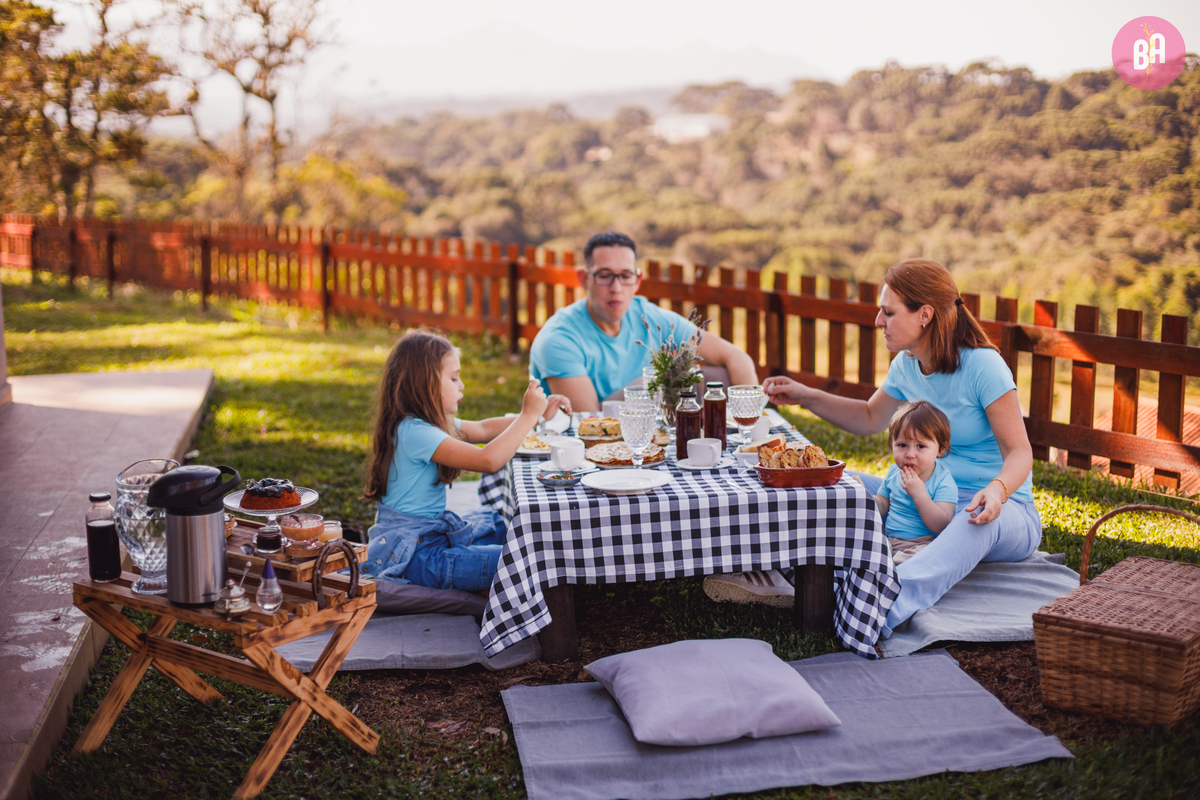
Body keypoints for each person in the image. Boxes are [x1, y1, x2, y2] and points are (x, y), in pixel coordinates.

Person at [705, 259, 1041, 637]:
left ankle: (882, 602)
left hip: (1002, 510)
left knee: (973, 520)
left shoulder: (983, 366)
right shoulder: (906, 365)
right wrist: (804, 396)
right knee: (836, 481)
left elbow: (1020, 452)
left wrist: (997, 492)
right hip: (920, 497)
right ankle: (785, 567)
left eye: (888, 312)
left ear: (925, 315)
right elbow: (868, 417)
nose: (878, 321)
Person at [362, 329, 570, 591]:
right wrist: (527, 416)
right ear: (425, 383)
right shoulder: (415, 432)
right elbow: (488, 460)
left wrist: (540, 417)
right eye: (454, 378)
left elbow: (482, 429)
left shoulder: (425, 424)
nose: (461, 386)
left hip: (430, 536)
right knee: (518, 560)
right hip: (414, 557)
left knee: (496, 524)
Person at [529, 231, 758, 412]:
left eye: (625, 276)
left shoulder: (650, 318)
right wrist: (656, 377)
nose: (616, 288)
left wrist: (752, 422)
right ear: (583, 278)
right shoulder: (558, 339)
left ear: (637, 281)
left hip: (650, 436)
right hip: (580, 456)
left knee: (718, 377)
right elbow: (591, 420)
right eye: (604, 275)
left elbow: (736, 357)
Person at [875, 400, 958, 565]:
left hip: (922, 544)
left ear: (941, 449)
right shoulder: (894, 472)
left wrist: (920, 494)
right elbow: (883, 504)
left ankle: (892, 570)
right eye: (902, 445)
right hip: (888, 539)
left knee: (918, 561)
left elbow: (941, 524)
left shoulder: (943, 481)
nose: (910, 454)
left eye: (920, 446)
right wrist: (868, 500)